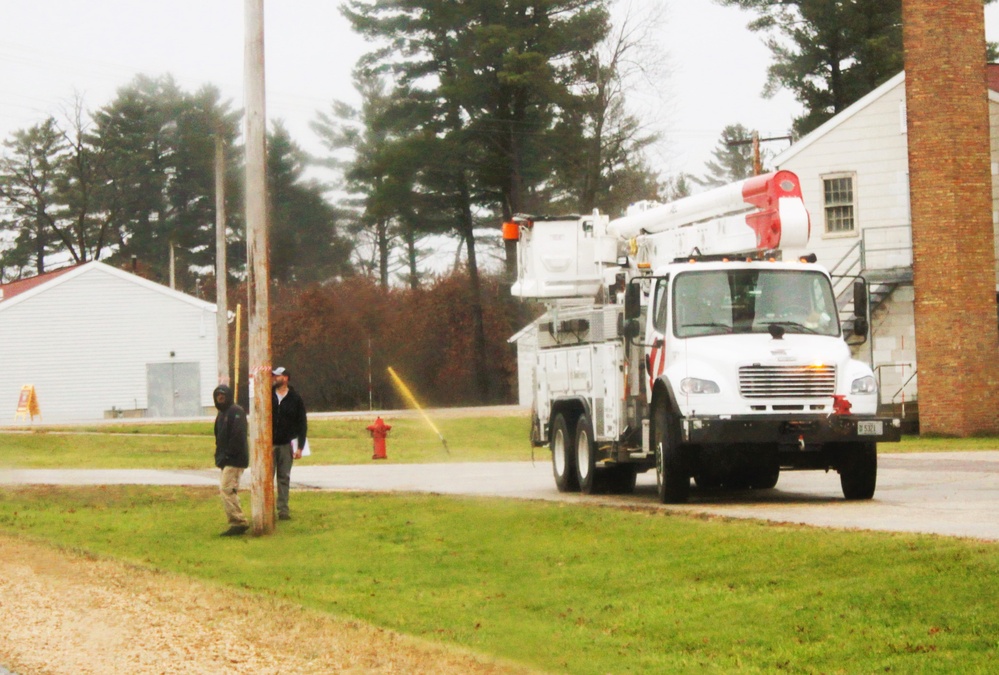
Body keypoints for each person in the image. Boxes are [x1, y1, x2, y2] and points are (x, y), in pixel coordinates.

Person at [213, 384, 249, 536]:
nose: (220, 398)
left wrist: (227, 455)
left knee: (226, 489)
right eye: (217, 395)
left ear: (228, 396)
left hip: (235, 459)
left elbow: (238, 436)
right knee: (229, 490)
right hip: (225, 459)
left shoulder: (236, 412)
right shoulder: (220, 415)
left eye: (223, 395)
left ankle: (239, 521)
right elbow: (218, 438)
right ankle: (237, 520)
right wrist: (219, 456)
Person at [271, 366, 307, 521]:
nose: (274, 378)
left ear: (285, 378)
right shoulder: (268, 395)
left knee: (283, 477)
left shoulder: (295, 398)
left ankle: (283, 510)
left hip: (286, 445)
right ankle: (266, 510)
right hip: (269, 445)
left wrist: (300, 447)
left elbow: (302, 424)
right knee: (267, 478)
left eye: (277, 376)